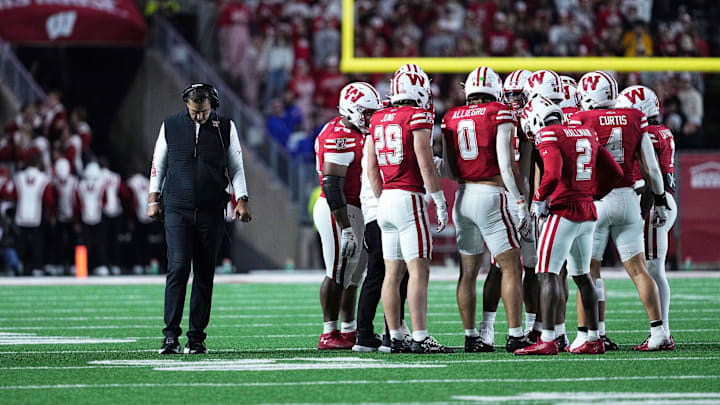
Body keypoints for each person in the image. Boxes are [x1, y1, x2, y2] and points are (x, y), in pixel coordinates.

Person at [570, 71, 671, 351]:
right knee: (639, 269)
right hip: (628, 198)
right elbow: (650, 167)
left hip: (596, 200)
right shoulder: (634, 118)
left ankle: (591, 335)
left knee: (588, 272)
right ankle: (659, 331)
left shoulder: (581, 119)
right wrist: (660, 198)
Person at [515, 96, 623, 355]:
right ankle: (594, 337)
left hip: (563, 212)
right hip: (587, 211)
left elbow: (551, 173)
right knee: (582, 276)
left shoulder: (548, 133)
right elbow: (615, 173)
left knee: (546, 273)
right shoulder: (584, 131)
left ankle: (549, 338)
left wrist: (539, 200)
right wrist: (593, 193)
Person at [149, 83, 251, 355]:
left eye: (203, 111)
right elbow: (159, 162)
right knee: (178, 269)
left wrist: (241, 199)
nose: (198, 116)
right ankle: (170, 336)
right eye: (194, 111)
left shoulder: (226, 127)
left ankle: (196, 338)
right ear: (186, 104)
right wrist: (153, 198)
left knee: (205, 274)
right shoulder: (170, 125)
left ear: (212, 105)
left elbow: (236, 167)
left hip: (211, 210)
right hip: (177, 209)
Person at [442, 66, 532, 353]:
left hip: (463, 196)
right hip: (492, 195)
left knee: (468, 272)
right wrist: (520, 201)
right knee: (511, 267)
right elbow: (506, 166)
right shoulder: (499, 112)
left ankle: (472, 337)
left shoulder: (450, 117)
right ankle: (517, 334)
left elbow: (450, 170)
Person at [366, 69, 453, 354]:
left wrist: (384, 197)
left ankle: (395, 336)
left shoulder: (378, 118)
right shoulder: (416, 116)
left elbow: (371, 168)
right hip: (408, 198)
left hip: (387, 200)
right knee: (418, 271)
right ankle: (420, 337)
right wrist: (439, 200)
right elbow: (426, 165)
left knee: (392, 273)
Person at [313, 81, 382, 350]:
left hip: (358, 206)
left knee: (354, 274)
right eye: (366, 113)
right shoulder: (338, 134)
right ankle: (329, 332)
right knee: (337, 272)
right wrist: (345, 227)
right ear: (351, 110)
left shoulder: (358, 130)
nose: (371, 118)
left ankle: (349, 330)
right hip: (339, 207)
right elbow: (332, 185)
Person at [616, 85, 678, 350]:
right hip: (659, 199)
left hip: (653, 200)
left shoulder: (648, 134)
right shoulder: (661, 131)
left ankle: (661, 332)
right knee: (654, 269)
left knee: (653, 269)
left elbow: (653, 176)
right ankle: (662, 331)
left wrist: (645, 207)